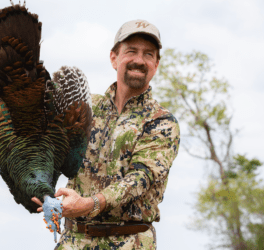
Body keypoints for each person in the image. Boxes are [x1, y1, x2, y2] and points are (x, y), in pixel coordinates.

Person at [32, 19, 180, 249]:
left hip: (130, 242)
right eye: (131, 51)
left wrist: (89, 204)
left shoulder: (161, 121)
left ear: (156, 64)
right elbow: (41, 141)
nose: (139, 60)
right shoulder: (85, 107)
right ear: (114, 58)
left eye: (148, 54)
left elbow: (140, 178)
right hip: (74, 241)